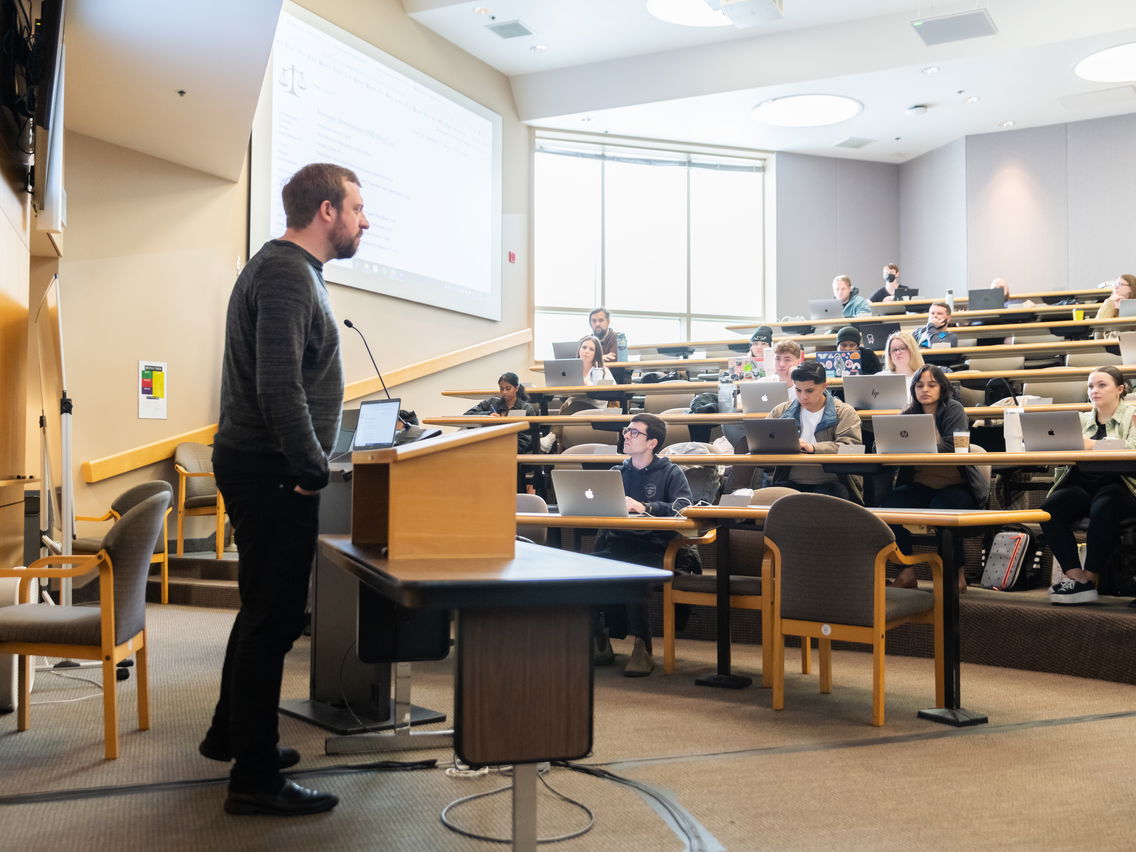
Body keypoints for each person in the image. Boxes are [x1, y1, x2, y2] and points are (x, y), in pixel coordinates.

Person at [201, 163, 367, 816]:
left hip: (265, 465)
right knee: (273, 620)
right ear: (325, 211)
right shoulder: (286, 274)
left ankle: (232, 734)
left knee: (259, 612)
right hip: (273, 469)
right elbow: (279, 386)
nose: (364, 219)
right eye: (356, 207)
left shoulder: (291, 273)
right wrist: (311, 468)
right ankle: (255, 778)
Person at [591, 413, 693, 676]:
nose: (627, 435)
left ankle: (642, 644)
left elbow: (683, 507)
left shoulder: (671, 471)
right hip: (618, 543)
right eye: (627, 430)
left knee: (634, 573)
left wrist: (646, 507)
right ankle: (599, 638)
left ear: (652, 443)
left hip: (655, 546)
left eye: (635, 433)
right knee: (587, 571)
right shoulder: (617, 472)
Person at [882, 365, 988, 592]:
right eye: (919, 385)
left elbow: (954, 445)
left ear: (942, 387)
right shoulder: (909, 413)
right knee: (887, 509)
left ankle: (955, 574)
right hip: (922, 486)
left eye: (932, 384)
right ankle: (906, 571)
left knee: (942, 510)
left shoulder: (954, 409)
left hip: (957, 486)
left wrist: (915, 446)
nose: (925, 390)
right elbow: (883, 445)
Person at [1040, 366, 1136, 605]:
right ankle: (1077, 578)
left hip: (1121, 485)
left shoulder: (1133, 416)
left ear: (1120, 389)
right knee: (1050, 509)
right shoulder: (1079, 420)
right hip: (1081, 485)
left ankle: (1090, 579)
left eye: (1102, 385)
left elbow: (1131, 449)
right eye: (1091, 386)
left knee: (1104, 507)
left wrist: (1089, 445)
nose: (1094, 390)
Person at [767, 360, 863, 500]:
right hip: (790, 482)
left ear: (824, 386)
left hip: (833, 482)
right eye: (798, 390)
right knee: (772, 500)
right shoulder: (780, 411)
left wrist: (813, 448)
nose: (803, 396)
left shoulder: (845, 412)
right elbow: (763, 440)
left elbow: (852, 448)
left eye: (810, 390)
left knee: (823, 501)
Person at [463, 372, 541, 452]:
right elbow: (467, 416)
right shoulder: (491, 402)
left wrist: (501, 449)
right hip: (488, 445)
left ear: (516, 388)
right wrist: (488, 415)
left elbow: (525, 441)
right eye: (501, 388)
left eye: (508, 388)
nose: (504, 392)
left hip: (511, 450)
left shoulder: (526, 409)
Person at [878, 330, 925, 401]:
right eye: (894, 350)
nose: (898, 352)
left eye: (902, 348)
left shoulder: (924, 377)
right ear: (889, 355)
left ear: (912, 350)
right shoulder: (879, 378)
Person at [1093, 274, 1136, 339]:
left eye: (1120, 284)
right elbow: (1098, 337)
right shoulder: (1110, 305)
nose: (1116, 287)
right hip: (1113, 346)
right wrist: (1109, 303)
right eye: (1115, 284)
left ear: (1131, 287)